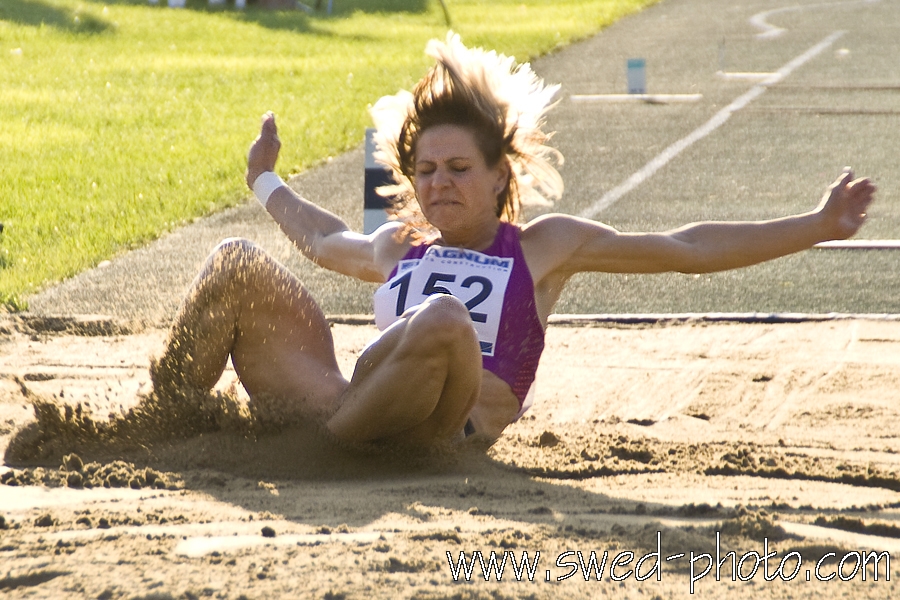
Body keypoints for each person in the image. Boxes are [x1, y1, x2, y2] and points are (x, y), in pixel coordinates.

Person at [149, 33, 876, 447]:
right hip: (353, 408)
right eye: (426, 171)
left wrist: (816, 226)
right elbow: (320, 237)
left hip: (441, 433)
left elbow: (684, 249)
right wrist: (265, 184)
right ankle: (163, 424)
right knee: (235, 263)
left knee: (439, 321)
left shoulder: (543, 248)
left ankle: (336, 447)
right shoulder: (400, 246)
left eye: (459, 169)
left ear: (500, 176)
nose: (439, 184)